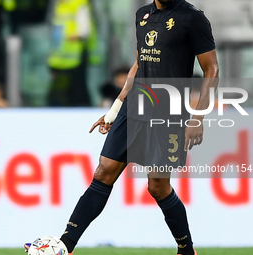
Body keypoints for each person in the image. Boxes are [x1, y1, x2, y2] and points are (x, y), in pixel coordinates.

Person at [25, 0, 219, 254]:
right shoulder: (143, 15)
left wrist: (197, 117)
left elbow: (212, 69)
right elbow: (139, 65)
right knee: (104, 171)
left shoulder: (193, 18)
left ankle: (186, 249)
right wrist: (116, 108)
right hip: (135, 106)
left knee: (157, 187)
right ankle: (66, 245)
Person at [47, 0, 100, 106]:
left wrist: (71, 37)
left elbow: (84, 30)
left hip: (76, 55)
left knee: (77, 89)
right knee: (62, 91)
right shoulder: (59, 5)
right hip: (60, 57)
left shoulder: (79, 4)